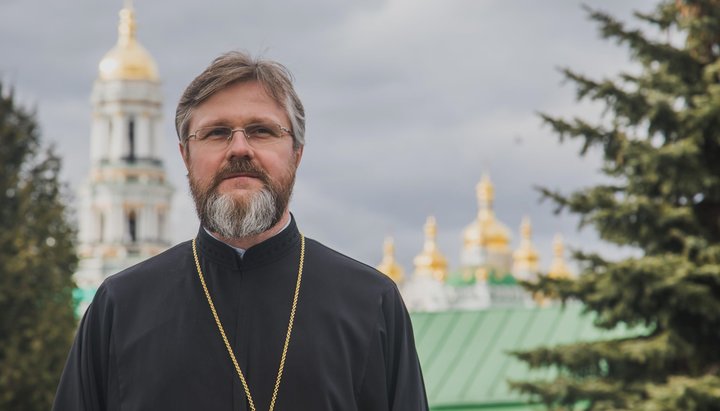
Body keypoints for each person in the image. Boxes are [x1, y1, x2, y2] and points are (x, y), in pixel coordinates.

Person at [53, 51, 428, 411]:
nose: (239, 148)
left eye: (261, 131)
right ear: (185, 155)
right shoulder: (120, 307)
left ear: (296, 153)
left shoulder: (370, 303)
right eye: (216, 133)